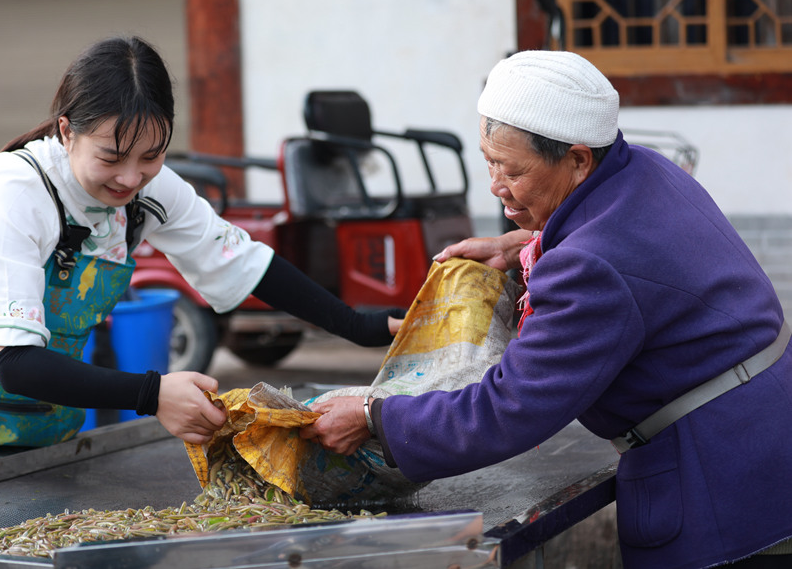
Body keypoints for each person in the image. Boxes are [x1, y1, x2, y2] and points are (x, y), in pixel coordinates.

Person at [300, 50, 792, 568]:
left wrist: (374, 416)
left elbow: (511, 406)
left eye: (512, 170)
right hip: (764, 432)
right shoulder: (643, 169)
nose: (496, 185)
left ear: (577, 160)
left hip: (723, 485)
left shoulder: (589, 266)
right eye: (489, 161)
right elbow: (615, 248)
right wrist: (520, 247)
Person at [0, 35, 401, 473]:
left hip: (44, 433)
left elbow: (244, 263)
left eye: (151, 156)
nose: (130, 178)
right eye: (111, 157)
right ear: (66, 131)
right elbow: (16, 363)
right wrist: (153, 393)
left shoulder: (149, 192)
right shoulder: (16, 192)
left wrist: (360, 327)